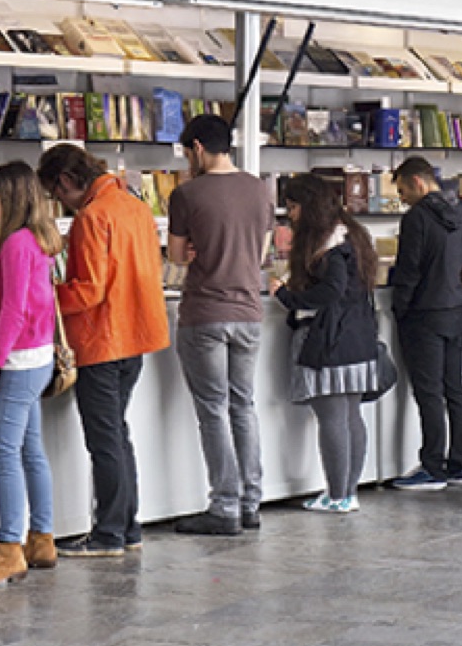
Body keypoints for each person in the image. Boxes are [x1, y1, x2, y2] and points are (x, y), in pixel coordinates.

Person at [37, 145, 170, 557]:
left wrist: (46, 294)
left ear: (65, 182)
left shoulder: (92, 217)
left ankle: (110, 532)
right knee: (118, 434)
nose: (60, 203)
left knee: (105, 439)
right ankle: (127, 527)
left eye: (56, 195)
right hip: (138, 335)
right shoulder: (135, 206)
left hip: (101, 339)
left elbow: (89, 290)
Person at [168, 114, 274, 534]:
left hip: (206, 313)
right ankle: (250, 501)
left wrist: (198, 247)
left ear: (196, 148)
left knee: (213, 411)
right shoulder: (259, 188)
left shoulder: (187, 194)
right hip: (249, 313)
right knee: (243, 406)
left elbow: (177, 257)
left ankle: (224, 506)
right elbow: (262, 252)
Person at [0, 161, 63, 589]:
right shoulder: (36, 240)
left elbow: (13, 310)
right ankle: (41, 539)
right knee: (30, 450)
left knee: (3, 454)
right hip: (36, 358)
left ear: (14, 200)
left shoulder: (18, 245)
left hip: (19, 362)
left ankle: (8, 550)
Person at [270, 174, 382, 513]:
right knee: (350, 416)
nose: (290, 214)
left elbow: (331, 291)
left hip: (330, 342)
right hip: (358, 339)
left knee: (332, 417)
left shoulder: (328, 244)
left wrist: (286, 296)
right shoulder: (352, 234)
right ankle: (347, 492)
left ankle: (337, 496)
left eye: (293, 206)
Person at [388, 157, 462, 491]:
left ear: (418, 182)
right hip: (456, 307)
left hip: (423, 312)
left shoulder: (417, 219)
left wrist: (400, 308)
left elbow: (409, 270)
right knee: (455, 387)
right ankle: (461, 463)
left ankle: (432, 465)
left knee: (428, 392)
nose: (402, 198)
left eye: (402, 191)